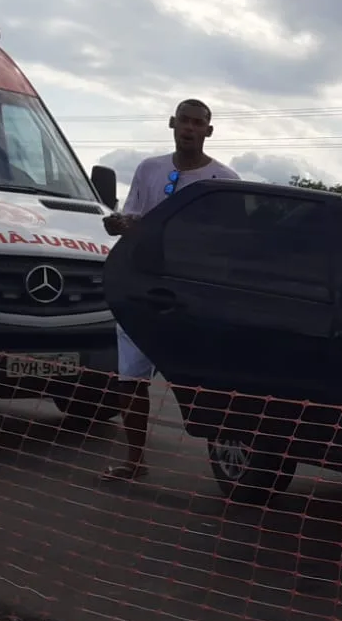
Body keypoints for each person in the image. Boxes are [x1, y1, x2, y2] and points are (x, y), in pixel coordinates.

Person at [98, 98, 240, 482]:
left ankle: (234, 465)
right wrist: (120, 224)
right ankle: (134, 460)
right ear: (172, 124)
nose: (189, 129)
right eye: (184, 121)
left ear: (209, 131)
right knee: (130, 379)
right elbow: (133, 216)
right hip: (142, 288)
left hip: (190, 296)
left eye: (198, 123)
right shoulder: (149, 169)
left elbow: (230, 242)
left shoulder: (225, 183)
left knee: (207, 380)